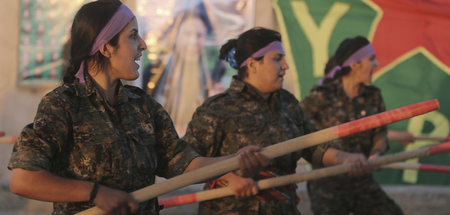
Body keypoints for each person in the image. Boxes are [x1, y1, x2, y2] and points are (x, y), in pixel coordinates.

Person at [7, 1, 267, 214]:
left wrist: (234, 162)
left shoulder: (143, 106)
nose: (143, 44)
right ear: (107, 47)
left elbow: (183, 163)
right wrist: (95, 193)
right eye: (133, 35)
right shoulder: (63, 105)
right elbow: (24, 179)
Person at [183, 27, 370, 215]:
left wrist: (346, 159)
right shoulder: (218, 108)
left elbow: (312, 146)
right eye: (277, 58)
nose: (285, 66)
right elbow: (187, 161)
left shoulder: (288, 103)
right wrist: (228, 177)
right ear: (252, 64)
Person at [300, 36, 403, 215]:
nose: (376, 63)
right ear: (355, 65)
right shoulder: (322, 96)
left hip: (362, 180)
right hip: (328, 184)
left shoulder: (374, 96)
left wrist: (376, 154)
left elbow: (380, 133)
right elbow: (297, 128)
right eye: (371, 59)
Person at [146, 10, 225, 136]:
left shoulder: (214, 74)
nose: (193, 41)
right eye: (187, 34)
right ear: (176, 36)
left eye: (199, 35)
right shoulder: (154, 72)